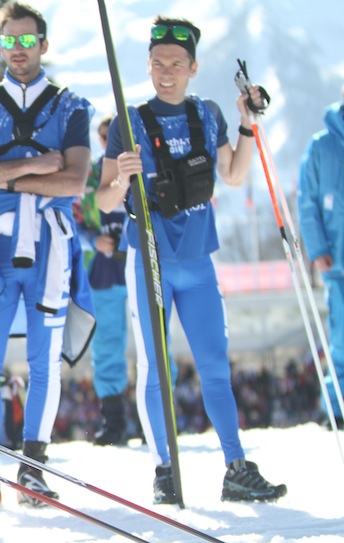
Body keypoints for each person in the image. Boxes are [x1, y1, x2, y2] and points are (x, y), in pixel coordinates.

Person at [96, 16, 286, 503]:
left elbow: (234, 173)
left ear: (193, 67)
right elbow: (102, 201)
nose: (166, 72)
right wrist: (121, 175)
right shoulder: (128, 120)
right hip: (151, 261)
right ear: (148, 65)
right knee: (159, 369)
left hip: (199, 260)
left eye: (176, 64)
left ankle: (236, 466)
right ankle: (165, 468)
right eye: (158, 63)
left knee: (214, 366)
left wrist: (248, 126)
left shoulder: (207, 114)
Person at [0, 2, 94, 506]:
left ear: (43, 43)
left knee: (44, 361)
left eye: (26, 40)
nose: (18, 49)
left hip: (52, 244)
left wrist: (3, 175)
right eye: (9, 40)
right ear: (1, 45)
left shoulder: (73, 106)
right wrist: (35, 167)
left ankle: (34, 466)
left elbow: (76, 180)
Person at [75, 114, 131, 446]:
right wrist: (93, 241)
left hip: (140, 262)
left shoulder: (144, 164)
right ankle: (114, 420)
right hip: (104, 267)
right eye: (104, 134)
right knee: (108, 343)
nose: (107, 139)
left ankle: (159, 418)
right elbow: (76, 218)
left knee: (156, 341)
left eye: (113, 134)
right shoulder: (92, 174)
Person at [298, 87, 344, 426]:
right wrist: (317, 249)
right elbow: (308, 200)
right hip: (337, 258)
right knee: (341, 335)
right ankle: (338, 405)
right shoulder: (321, 145)